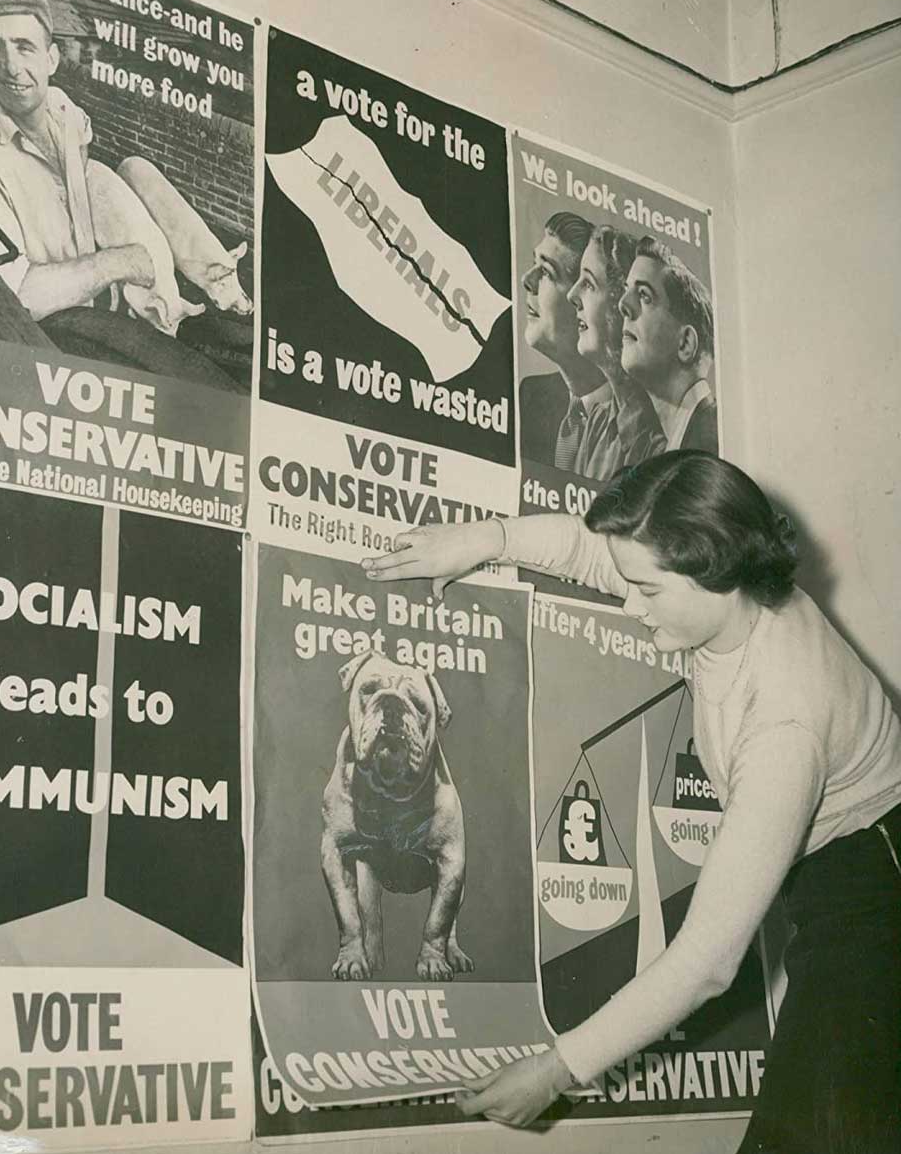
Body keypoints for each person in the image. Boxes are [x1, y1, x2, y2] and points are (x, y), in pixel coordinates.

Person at [362, 452, 901, 1153]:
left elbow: (707, 958)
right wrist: (485, 538)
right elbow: (593, 550)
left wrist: (558, 1070)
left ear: (714, 573)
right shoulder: (729, 586)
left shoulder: (783, 724)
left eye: (647, 589)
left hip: (874, 883)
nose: (628, 603)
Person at [0, 0, 156, 322]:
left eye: (24, 46)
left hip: (105, 310)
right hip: (50, 331)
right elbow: (13, 295)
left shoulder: (63, 110)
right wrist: (119, 261)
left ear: (51, 59)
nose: (10, 67)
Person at [565, 225, 665, 479]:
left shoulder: (658, 435)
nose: (572, 295)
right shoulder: (597, 420)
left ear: (622, 304)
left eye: (588, 283)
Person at [518, 212, 609, 471]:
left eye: (546, 271)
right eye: (533, 263)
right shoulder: (531, 397)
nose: (527, 280)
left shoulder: (639, 422)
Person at [620, 236, 718, 453]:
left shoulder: (711, 443)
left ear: (685, 343)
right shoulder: (667, 442)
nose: (623, 305)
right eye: (625, 290)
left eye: (644, 295)